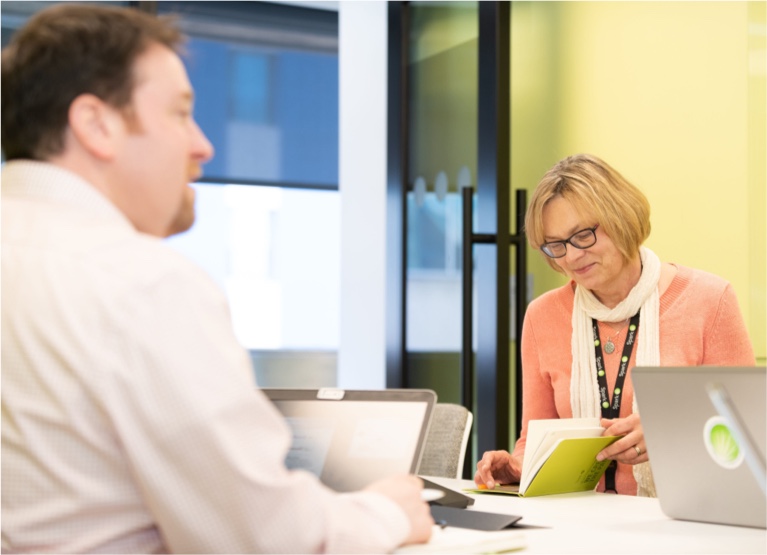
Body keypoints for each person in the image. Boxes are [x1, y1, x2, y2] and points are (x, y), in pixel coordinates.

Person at [1, 4, 433, 553]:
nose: (202, 145)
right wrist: (386, 513)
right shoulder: (140, 284)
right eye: (181, 114)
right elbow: (265, 539)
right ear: (95, 125)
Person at [474, 153, 755, 497]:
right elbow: (535, 439)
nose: (572, 256)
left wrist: (670, 430)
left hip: (687, 517)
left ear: (621, 217)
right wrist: (518, 466)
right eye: (556, 245)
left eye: (583, 235)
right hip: (576, 522)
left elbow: (750, 432)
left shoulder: (710, 301)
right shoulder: (542, 316)